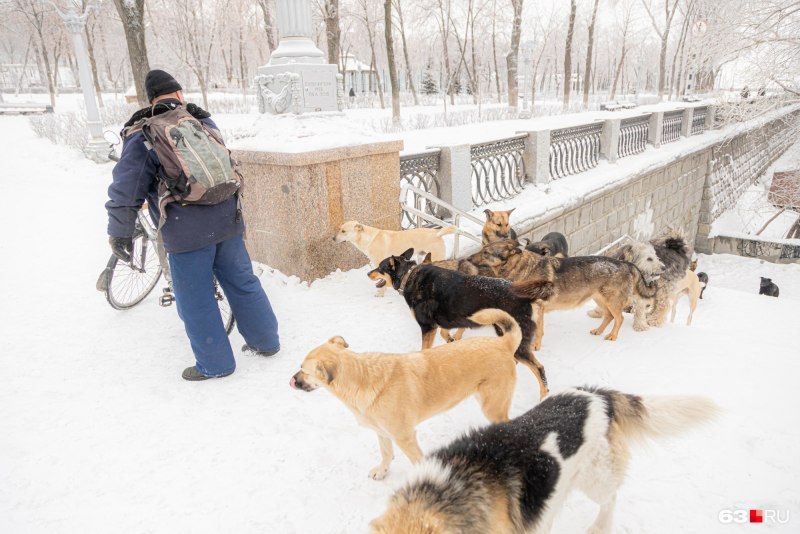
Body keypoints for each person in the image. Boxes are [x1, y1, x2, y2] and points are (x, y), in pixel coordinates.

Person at [106, 69, 280, 381]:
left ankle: (215, 365)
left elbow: (126, 188)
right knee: (243, 282)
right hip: (227, 219)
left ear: (151, 98)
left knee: (196, 298)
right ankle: (266, 342)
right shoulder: (201, 120)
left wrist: (119, 231)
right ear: (179, 93)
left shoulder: (143, 133)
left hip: (185, 231)